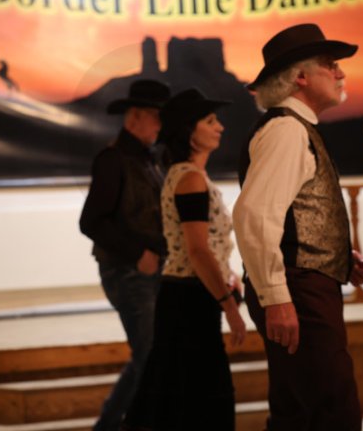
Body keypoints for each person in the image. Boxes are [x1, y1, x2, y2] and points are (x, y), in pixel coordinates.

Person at [233, 23, 363, 431]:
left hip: (304, 285)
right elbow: (254, 215)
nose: (341, 73)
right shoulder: (286, 130)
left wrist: (336, 256)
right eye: (330, 64)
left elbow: (295, 215)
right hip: (297, 290)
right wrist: (277, 297)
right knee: (329, 412)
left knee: (307, 411)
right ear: (300, 76)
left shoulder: (296, 128)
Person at [123, 88, 246, 430]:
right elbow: (197, 250)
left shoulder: (189, 175)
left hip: (188, 295)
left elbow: (204, 247)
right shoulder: (190, 178)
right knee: (195, 400)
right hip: (189, 298)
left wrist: (227, 274)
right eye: (210, 121)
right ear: (190, 133)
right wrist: (229, 306)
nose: (220, 127)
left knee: (183, 398)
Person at [79, 79, 170, 431]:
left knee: (149, 357)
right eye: (156, 117)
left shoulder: (149, 159)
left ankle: (110, 425)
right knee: (150, 357)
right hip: (127, 272)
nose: (160, 125)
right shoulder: (113, 160)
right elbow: (91, 221)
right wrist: (137, 254)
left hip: (147, 270)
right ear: (135, 118)